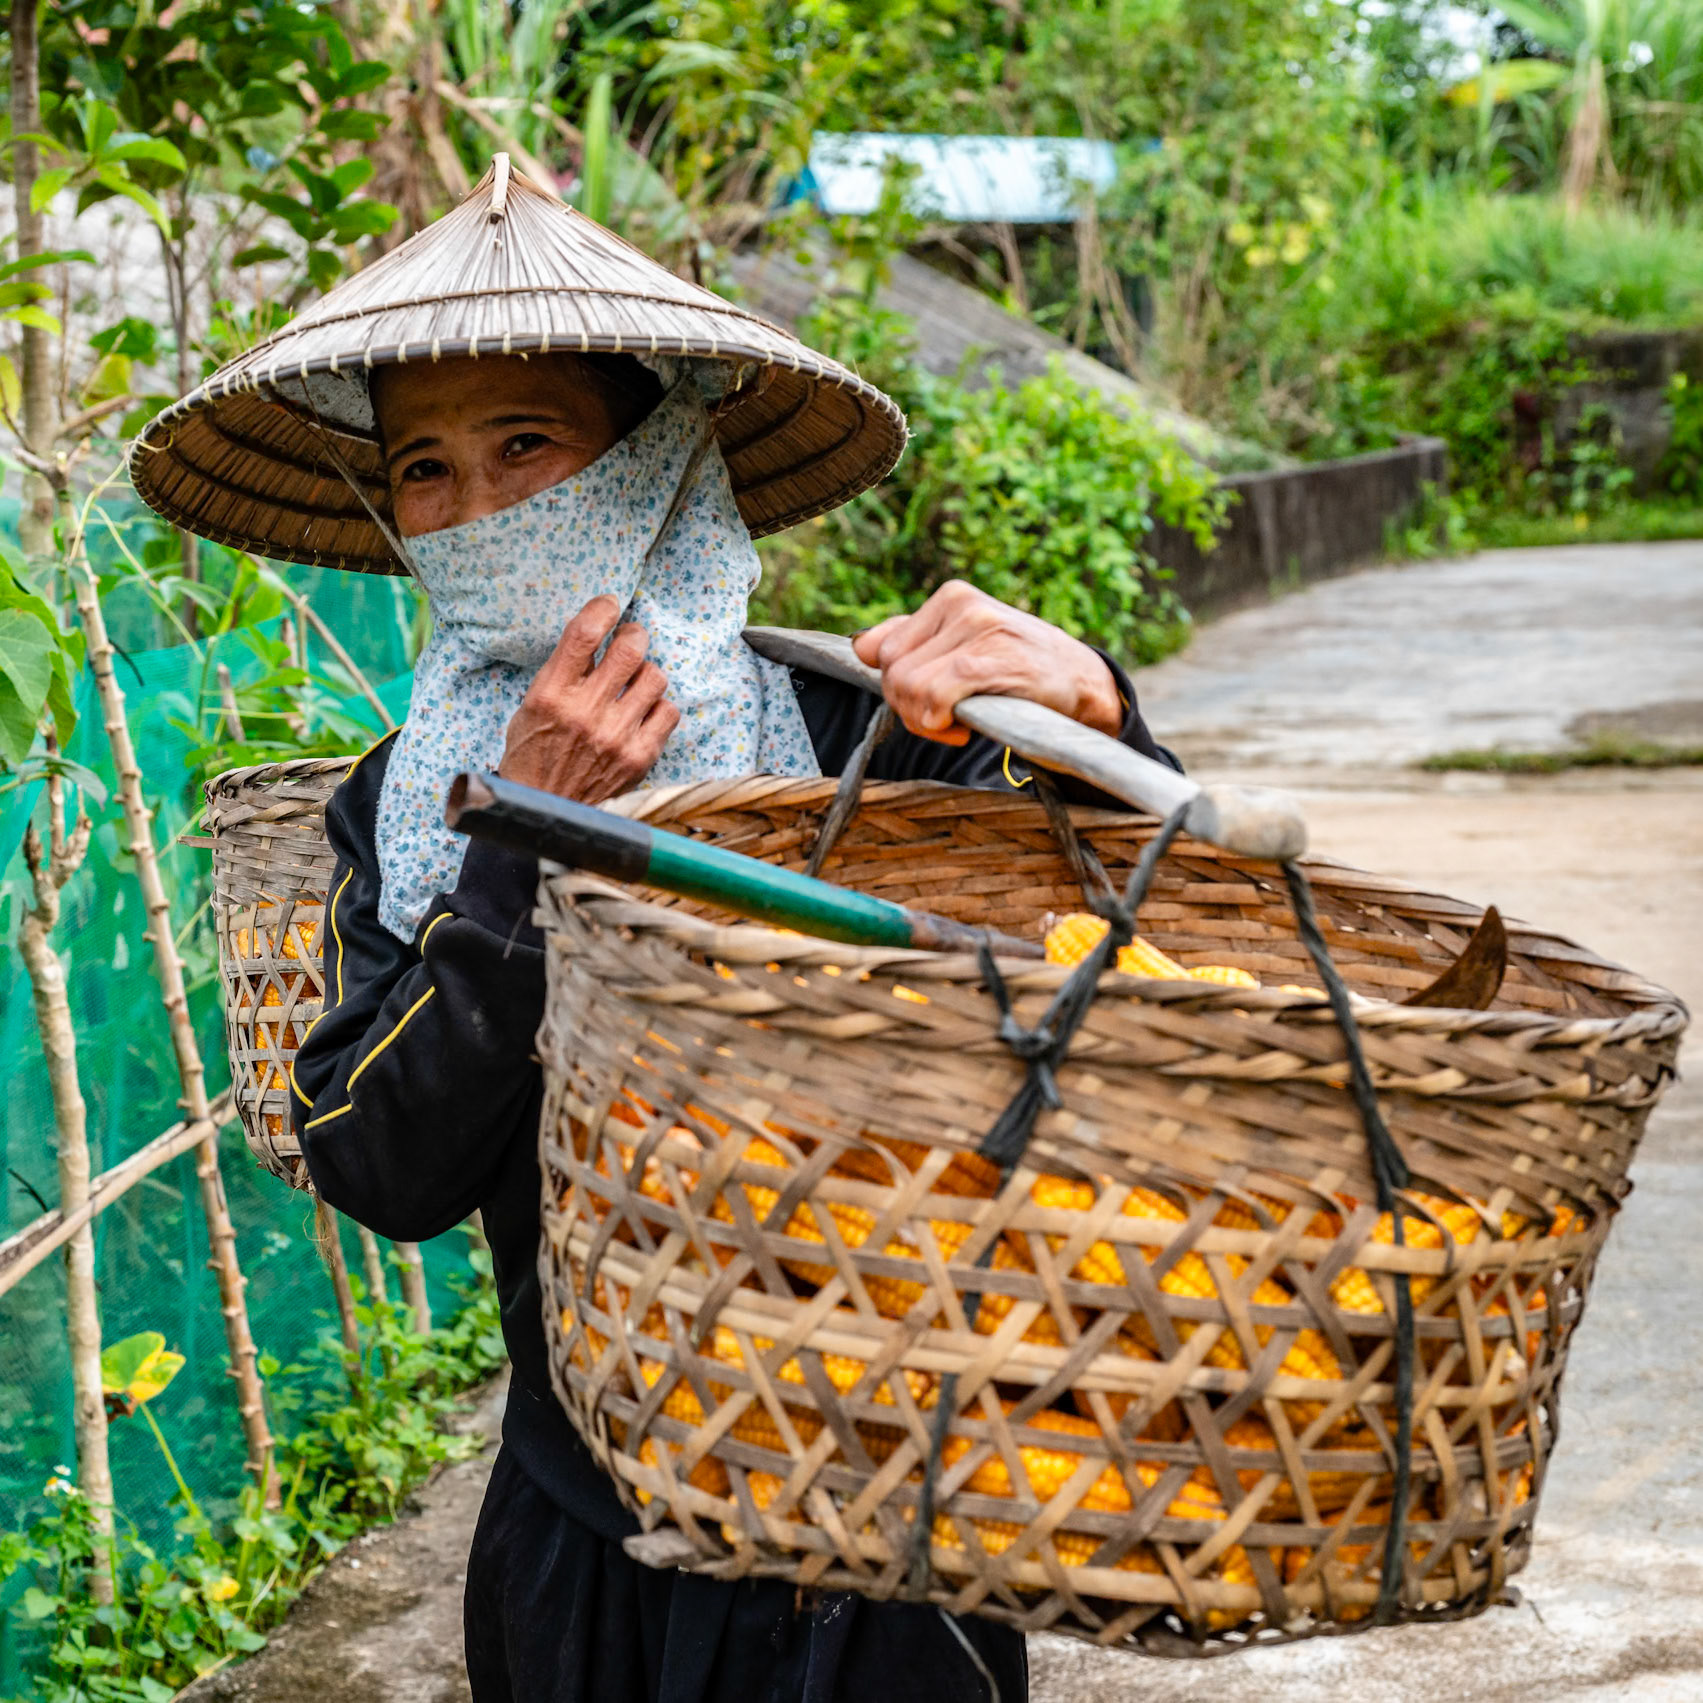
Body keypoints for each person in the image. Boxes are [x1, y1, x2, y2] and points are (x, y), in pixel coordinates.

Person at [134, 159, 1178, 1703]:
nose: (478, 510)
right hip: (584, 1547)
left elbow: (1138, 969)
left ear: (657, 453)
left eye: (528, 443)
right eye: (424, 468)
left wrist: (1096, 719)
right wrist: (526, 844)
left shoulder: (849, 728)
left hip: (895, 1539)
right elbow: (376, 1159)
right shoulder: (402, 806)